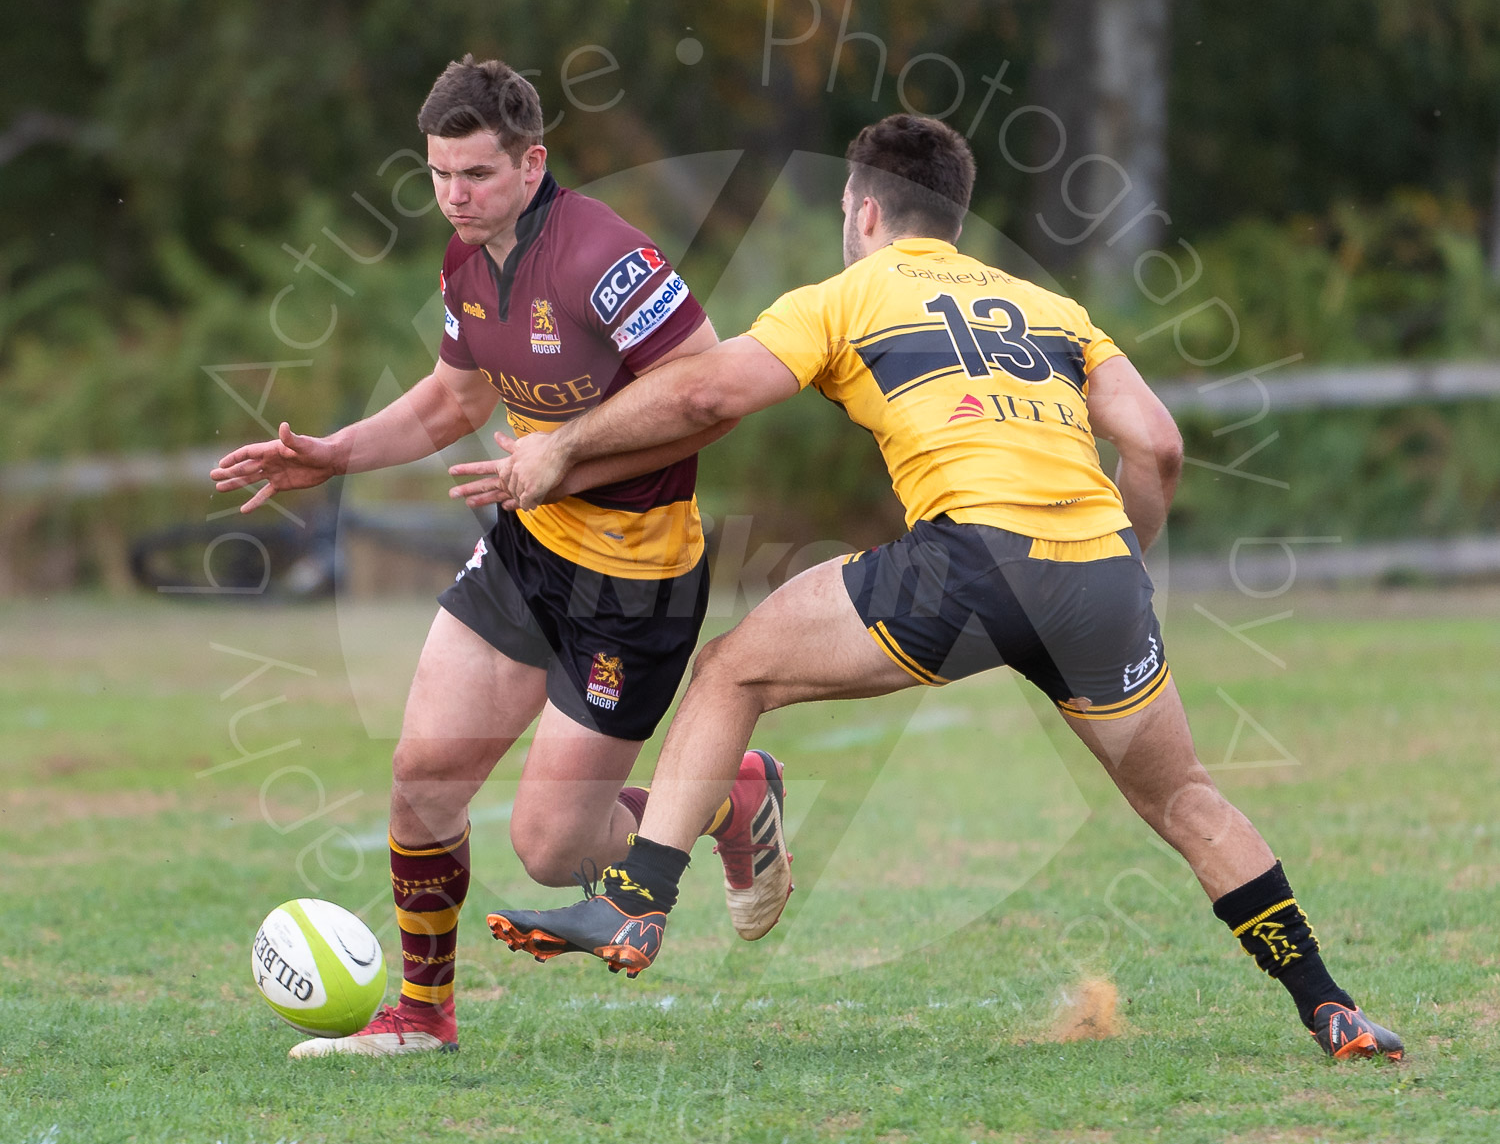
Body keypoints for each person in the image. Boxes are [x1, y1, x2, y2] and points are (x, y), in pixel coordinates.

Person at [485, 114, 1403, 1062]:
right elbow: (1158, 444)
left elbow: (707, 395)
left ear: (865, 210)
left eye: (847, 208)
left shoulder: (847, 294)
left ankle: (636, 904)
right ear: (954, 217)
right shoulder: (1051, 310)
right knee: (1186, 800)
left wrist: (564, 446)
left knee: (730, 672)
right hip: (1100, 574)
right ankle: (1328, 1005)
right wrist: (1126, 551)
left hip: (973, 560)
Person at [210, 56, 792, 1058]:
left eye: (476, 174)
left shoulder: (605, 260)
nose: (456, 195)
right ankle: (422, 1017)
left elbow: (707, 397)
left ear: (533, 163)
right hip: (529, 557)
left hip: (635, 584)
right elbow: (453, 400)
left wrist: (564, 455)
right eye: (439, 174)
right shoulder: (467, 261)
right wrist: (334, 454)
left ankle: (734, 795)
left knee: (552, 849)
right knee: (423, 775)